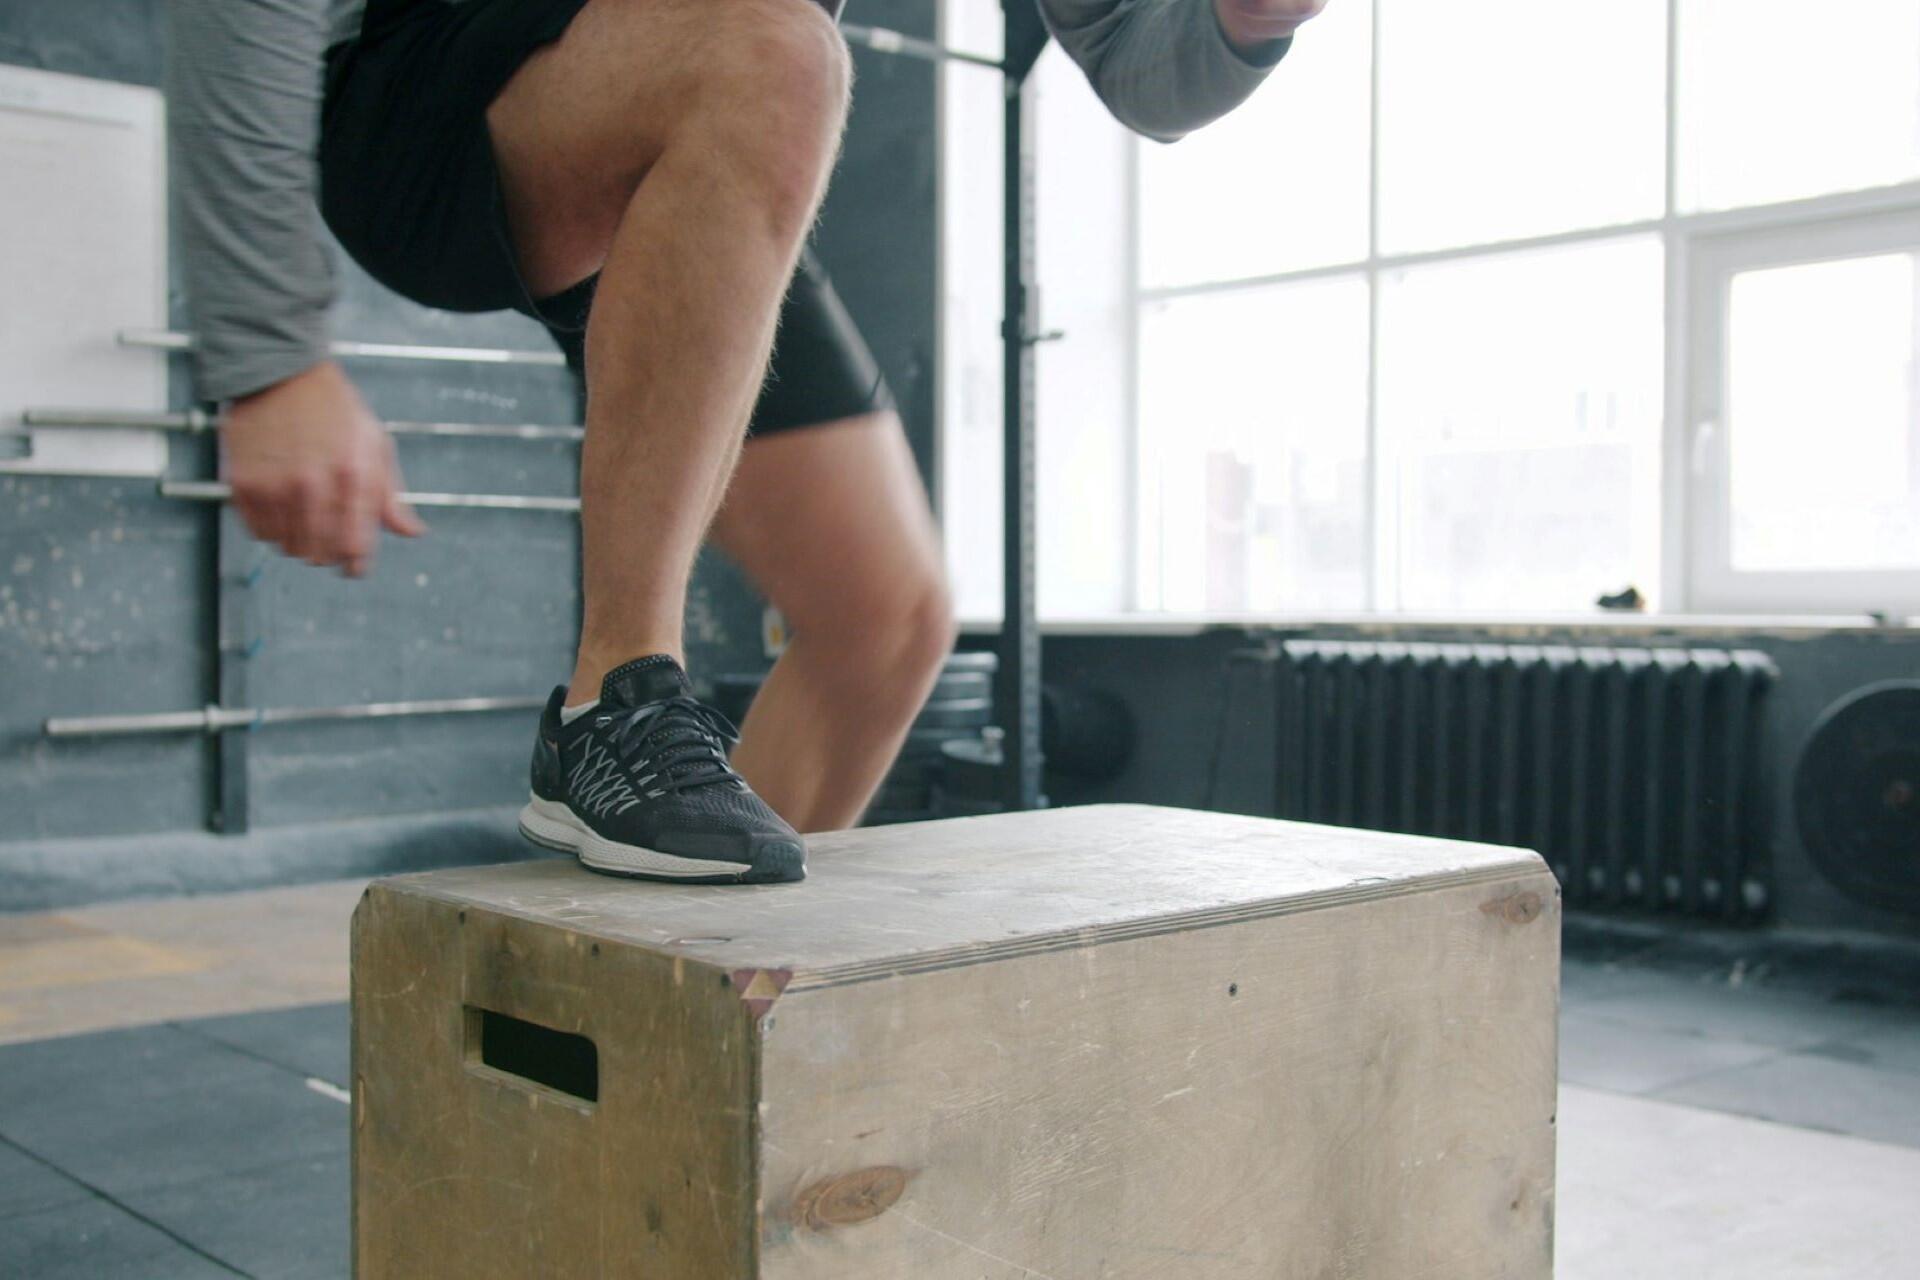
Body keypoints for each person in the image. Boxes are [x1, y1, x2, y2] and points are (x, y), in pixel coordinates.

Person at [166, 0, 1327, 884]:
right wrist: (270, 353)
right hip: (432, 84)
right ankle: (612, 705)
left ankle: (676, 1005)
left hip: (714, 105)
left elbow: (1141, 60)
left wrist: (1244, 19)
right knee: (778, 54)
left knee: (882, 621)